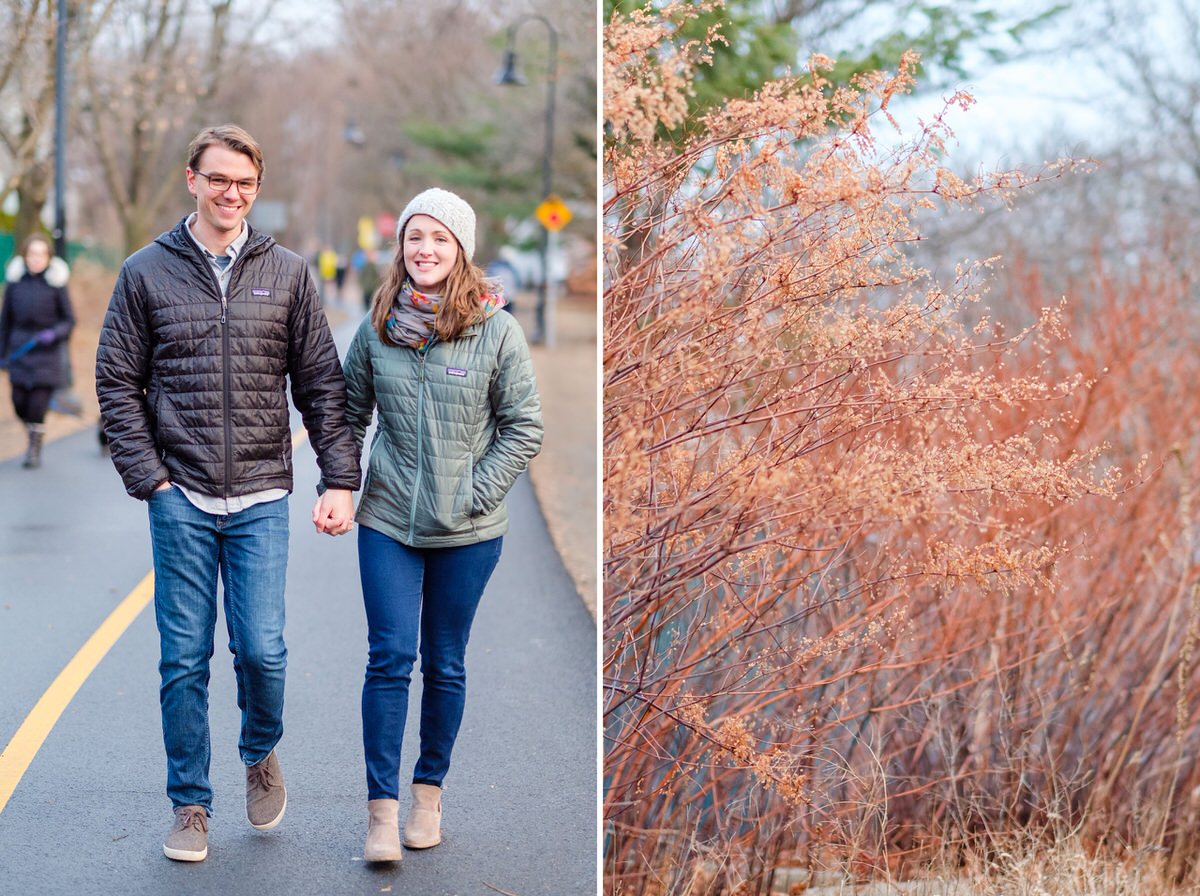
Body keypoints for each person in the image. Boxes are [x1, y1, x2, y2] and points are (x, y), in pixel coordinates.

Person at [95, 124, 361, 863]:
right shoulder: (145, 272)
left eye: (243, 182)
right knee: (183, 656)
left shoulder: (291, 274)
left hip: (261, 495)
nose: (230, 193)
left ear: (256, 188)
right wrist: (148, 476)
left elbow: (321, 387)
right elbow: (117, 381)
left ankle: (259, 749)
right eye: (218, 179)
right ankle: (189, 804)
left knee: (263, 652)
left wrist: (339, 477)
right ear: (193, 180)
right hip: (179, 495)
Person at [342, 188, 543, 863]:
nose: (426, 249)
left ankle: (427, 795)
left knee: (447, 663)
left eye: (440, 239)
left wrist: (475, 494)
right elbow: (346, 415)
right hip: (389, 521)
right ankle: (381, 813)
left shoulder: (497, 328)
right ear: (401, 247)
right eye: (415, 237)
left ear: (461, 250)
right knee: (390, 658)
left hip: (470, 533)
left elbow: (524, 428)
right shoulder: (375, 327)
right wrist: (340, 486)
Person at [0, 234, 75, 469]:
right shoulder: (14, 285)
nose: (36, 259)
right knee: (19, 402)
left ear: (48, 258)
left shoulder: (56, 285)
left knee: (37, 406)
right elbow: (5, 322)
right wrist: (2, 354)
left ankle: (33, 448)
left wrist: (54, 333)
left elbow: (69, 320)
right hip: (19, 352)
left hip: (47, 354)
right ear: (25, 256)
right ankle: (33, 430)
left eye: (41, 254)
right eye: (32, 254)